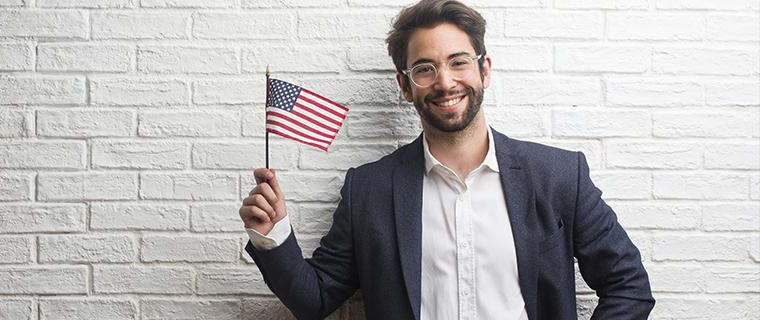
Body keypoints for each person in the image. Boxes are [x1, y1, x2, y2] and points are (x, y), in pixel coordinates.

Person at [237, 0, 655, 319]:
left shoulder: (560, 175)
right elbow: (317, 298)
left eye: (458, 62)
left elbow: (629, 285)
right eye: (425, 69)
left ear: (484, 70)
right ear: (405, 85)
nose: (445, 82)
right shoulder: (369, 189)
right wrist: (273, 234)